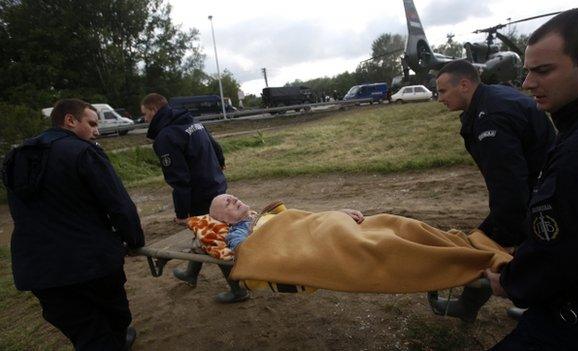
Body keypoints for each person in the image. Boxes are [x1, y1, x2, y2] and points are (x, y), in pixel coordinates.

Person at [485, 8, 578, 349]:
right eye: (527, 71)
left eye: (542, 71)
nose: (527, 83)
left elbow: (558, 255)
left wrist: (511, 282)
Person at [2, 99, 145, 350]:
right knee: (112, 319)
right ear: (70, 120)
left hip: (39, 270)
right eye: (91, 123)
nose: (96, 131)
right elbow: (119, 205)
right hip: (90, 264)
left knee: (84, 330)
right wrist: (134, 241)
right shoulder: (83, 152)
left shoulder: (17, 158)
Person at [431, 59, 556, 322]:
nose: (438, 98)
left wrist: (501, 230)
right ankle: (477, 305)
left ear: (464, 85)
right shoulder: (490, 101)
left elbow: (509, 185)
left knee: (486, 244)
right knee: (537, 251)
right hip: (543, 187)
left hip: (541, 194)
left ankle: (537, 308)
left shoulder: (493, 117)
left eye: (442, 91)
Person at [140, 93, 245, 303]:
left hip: (200, 195)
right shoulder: (192, 122)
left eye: (144, 114)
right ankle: (191, 273)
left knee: (212, 239)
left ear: (153, 110)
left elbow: (179, 180)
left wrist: (181, 213)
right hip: (216, 185)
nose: (144, 119)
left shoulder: (166, 137)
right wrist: (220, 165)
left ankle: (238, 290)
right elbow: (215, 146)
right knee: (204, 232)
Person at [208, 194, 364, 252]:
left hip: (313, 229)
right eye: (227, 203)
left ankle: (338, 217)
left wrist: (334, 214)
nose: (234, 199)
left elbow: (300, 220)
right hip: (308, 240)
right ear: (224, 220)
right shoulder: (238, 231)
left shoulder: (263, 215)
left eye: (233, 197)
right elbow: (243, 249)